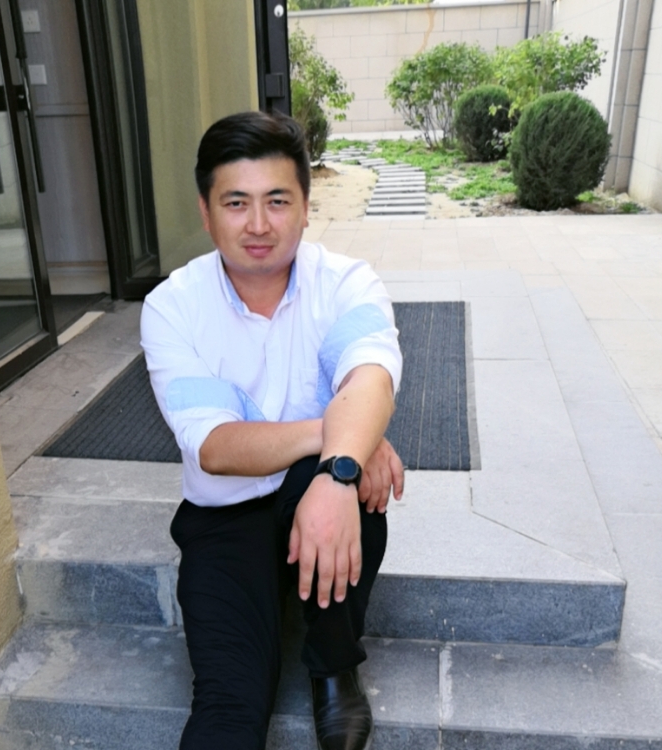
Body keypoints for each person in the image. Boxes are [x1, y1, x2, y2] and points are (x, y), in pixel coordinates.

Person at [140, 110, 404, 750]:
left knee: (350, 484)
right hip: (223, 518)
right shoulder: (172, 307)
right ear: (206, 213)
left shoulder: (345, 283)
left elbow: (370, 376)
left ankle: (333, 665)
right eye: (236, 203)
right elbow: (216, 448)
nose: (258, 224)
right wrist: (347, 440)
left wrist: (339, 469)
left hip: (309, 491)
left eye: (277, 201)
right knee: (229, 707)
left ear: (307, 208)